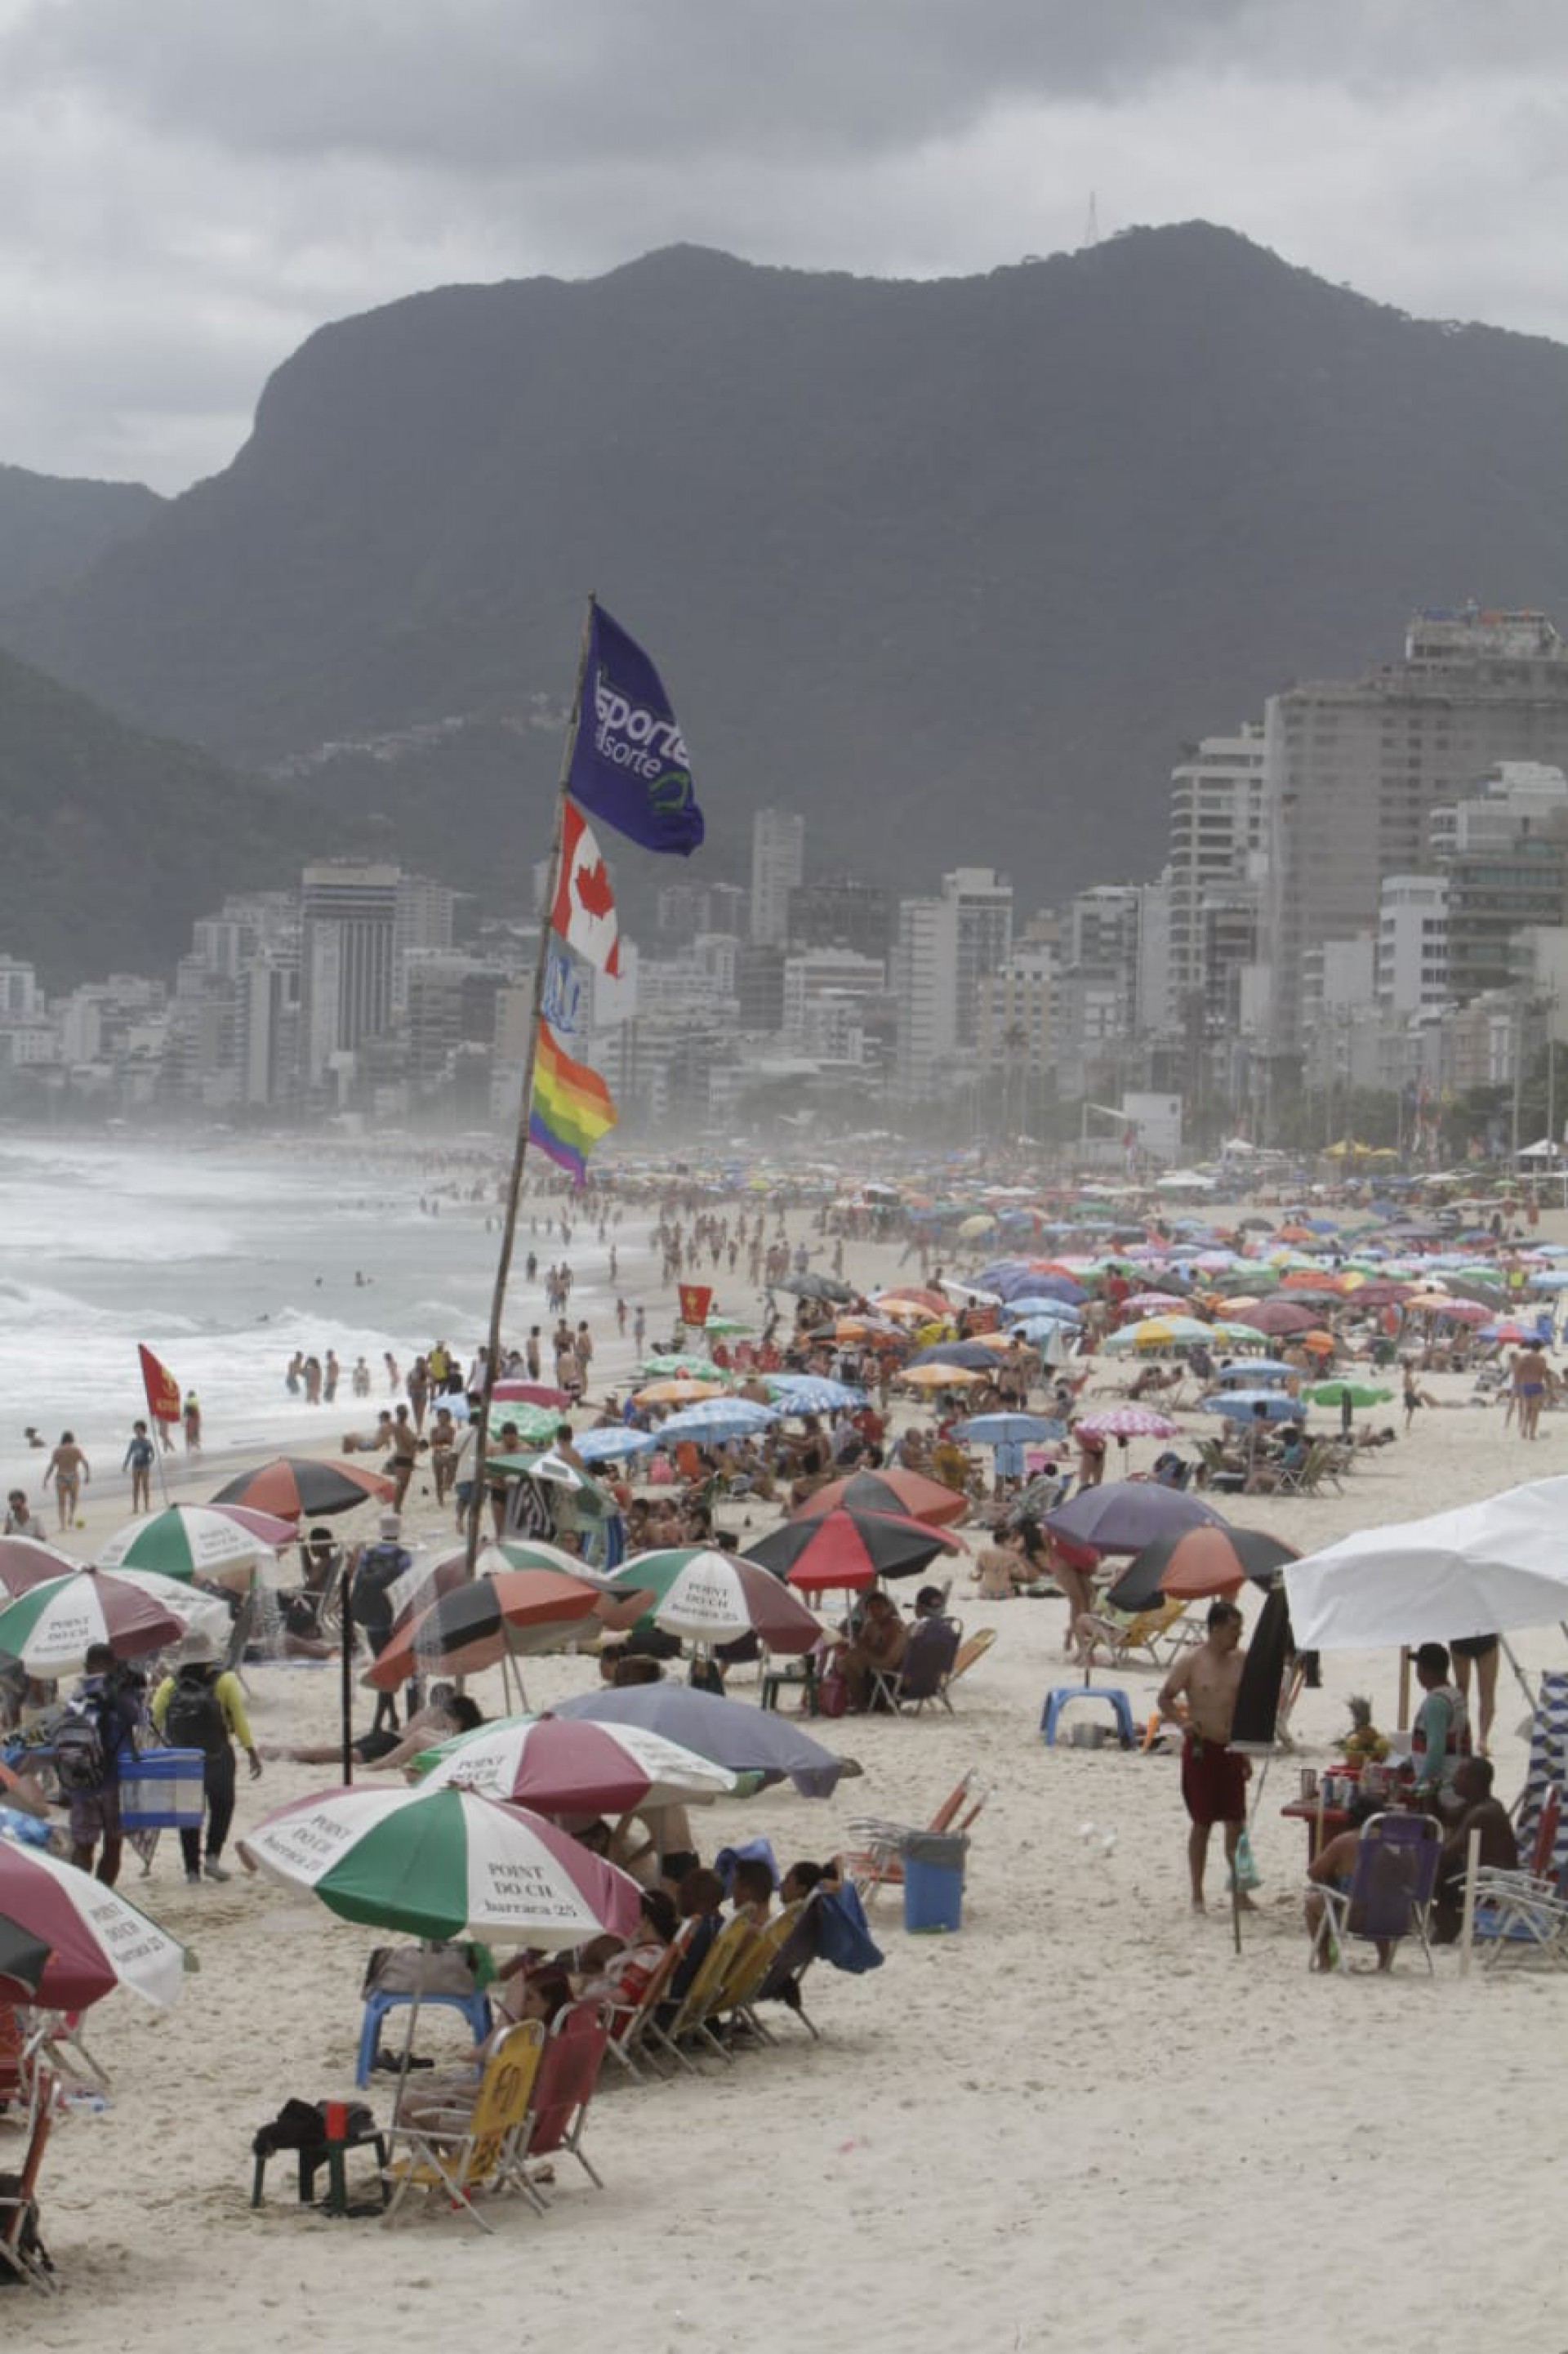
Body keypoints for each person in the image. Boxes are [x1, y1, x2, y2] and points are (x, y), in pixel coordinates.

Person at [1158, 1599, 1251, 1912]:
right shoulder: (1191, 1662)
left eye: (1240, 1630)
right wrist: (1183, 1723)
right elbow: (1165, 1697)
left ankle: (1239, 1890)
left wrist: (1247, 1751)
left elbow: (1244, 1708)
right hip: (1202, 1747)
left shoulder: (1241, 1660)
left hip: (1232, 1747)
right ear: (1216, 1629)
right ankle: (1197, 1893)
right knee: (1202, 1823)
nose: (1238, 1636)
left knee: (1236, 1823)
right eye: (1233, 1630)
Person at [150, 1630, 261, 1884]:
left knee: (188, 1812)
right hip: (218, 1756)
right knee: (222, 1806)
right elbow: (239, 1720)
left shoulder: (169, 1685)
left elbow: (154, 1720)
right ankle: (212, 1857)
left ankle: (191, 1870)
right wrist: (250, 1751)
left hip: (183, 1759)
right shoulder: (226, 1681)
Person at [61, 1643, 140, 1886]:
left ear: (86, 1667)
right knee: (113, 1844)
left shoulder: (76, 1696)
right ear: (113, 1664)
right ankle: (105, 1894)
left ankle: (83, 1895)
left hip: (83, 1783)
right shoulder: (123, 1692)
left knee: (83, 1845)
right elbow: (138, 1718)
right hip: (116, 1780)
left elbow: (64, 1738)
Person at [1432, 1756, 1520, 1942]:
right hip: (1486, 1875)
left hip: (1492, 1881)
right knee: (1438, 1870)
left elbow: (1449, 1852)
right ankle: (1449, 1928)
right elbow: (1447, 1817)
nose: (1453, 1778)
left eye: (1459, 1774)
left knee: (1430, 1875)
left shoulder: (1481, 1813)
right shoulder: (1477, 1804)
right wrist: (1432, 1795)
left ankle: (1448, 1929)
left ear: (1474, 1780)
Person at [350, 1511, 414, 1736]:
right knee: (391, 1671)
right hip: (394, 1622)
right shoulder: (404, 1558)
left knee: (383, 1666)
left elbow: (357, 1583)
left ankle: (391, 1717)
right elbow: (409, 1590)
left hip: (372, 1622)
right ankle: (379, 1722)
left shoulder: (367, 1557)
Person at [1410, 1640, 1472, 1803]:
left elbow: (1436, 1751)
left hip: (1443, 1788)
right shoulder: (1455, 1695)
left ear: (1424, 1671)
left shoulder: (1435, 1703)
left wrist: (1418, 1785)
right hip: (1455, 1779)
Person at [835, 1589, 908, 1713]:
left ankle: (859, 1702)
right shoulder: (870, 1624)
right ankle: (860, 1699)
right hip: (877, 1665)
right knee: (848, 1659)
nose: (875, 1611)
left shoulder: (895, 1624)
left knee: (848, 1661)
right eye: (871, 1608)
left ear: (888, 1608)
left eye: (879, 1607)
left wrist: (861, 1646)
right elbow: (865, 1645)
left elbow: (887, 1654)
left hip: (892, 1666)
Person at [42, 1430, 89, 1530]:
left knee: (61, 1502)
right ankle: (71, 1515)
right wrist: (87, 1475)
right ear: (72, 1439)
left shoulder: (57, 1450)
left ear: (62, 1439)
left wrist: (46, 1479)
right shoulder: (76, 1450)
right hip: (73, 1476)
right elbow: (85, 1463)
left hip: (61, 1477)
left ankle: (62, 1525)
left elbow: (52, 1466)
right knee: (74, 1499)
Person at [122, 1420, 157, 1515]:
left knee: (145, 1486)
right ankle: (135, 1507)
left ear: (143, 1430)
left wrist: (150, 1462)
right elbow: (129, 1454)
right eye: (136, 1429)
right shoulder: (133, 1442)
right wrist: (125, 1464)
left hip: (145, 1466)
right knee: (135, 1487)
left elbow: (153, 1454)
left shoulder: (147, 1441)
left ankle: (147, 1506)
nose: (137, 1431)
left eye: (139, 1430)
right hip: (135, 1466)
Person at [182, 1391, 203, 1455]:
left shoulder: (188, 1402)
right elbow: (198, 1413)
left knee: (189, 1435)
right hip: (196, 1419)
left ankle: (189, 1449)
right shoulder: (195, 1402)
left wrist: (183, 1421)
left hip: (191, 1419)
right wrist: (199, 1422)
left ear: (189, 1396)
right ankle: (197, 1448)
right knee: (195, 1434)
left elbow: (185, 1413)